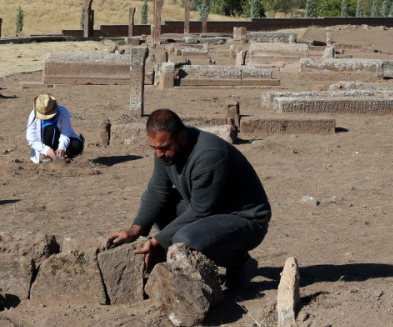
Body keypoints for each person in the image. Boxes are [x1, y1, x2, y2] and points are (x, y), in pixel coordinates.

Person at [103, 108, 270, 290]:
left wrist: (157, 241)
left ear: (181, 137)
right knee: (161, 209)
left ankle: (240, 262)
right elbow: (157, 191)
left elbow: (200, 211)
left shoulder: (209, 155)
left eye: (164, 148)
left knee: (186, 239)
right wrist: (135, 230)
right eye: (155, 148)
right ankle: (177, 257)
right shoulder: (165, 149)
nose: (159, 154)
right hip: (212, 212)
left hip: (247, 221)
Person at [25, 93, 84, 163]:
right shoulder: (33, 115)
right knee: (49, 128)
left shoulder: (63, 112)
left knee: (77, 145)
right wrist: (46, 150)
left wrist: (61, 148)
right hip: (46, 141)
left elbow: (65, 133)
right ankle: (49, 155)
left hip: (61, 138)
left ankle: (63, 156)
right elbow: (31, 139)